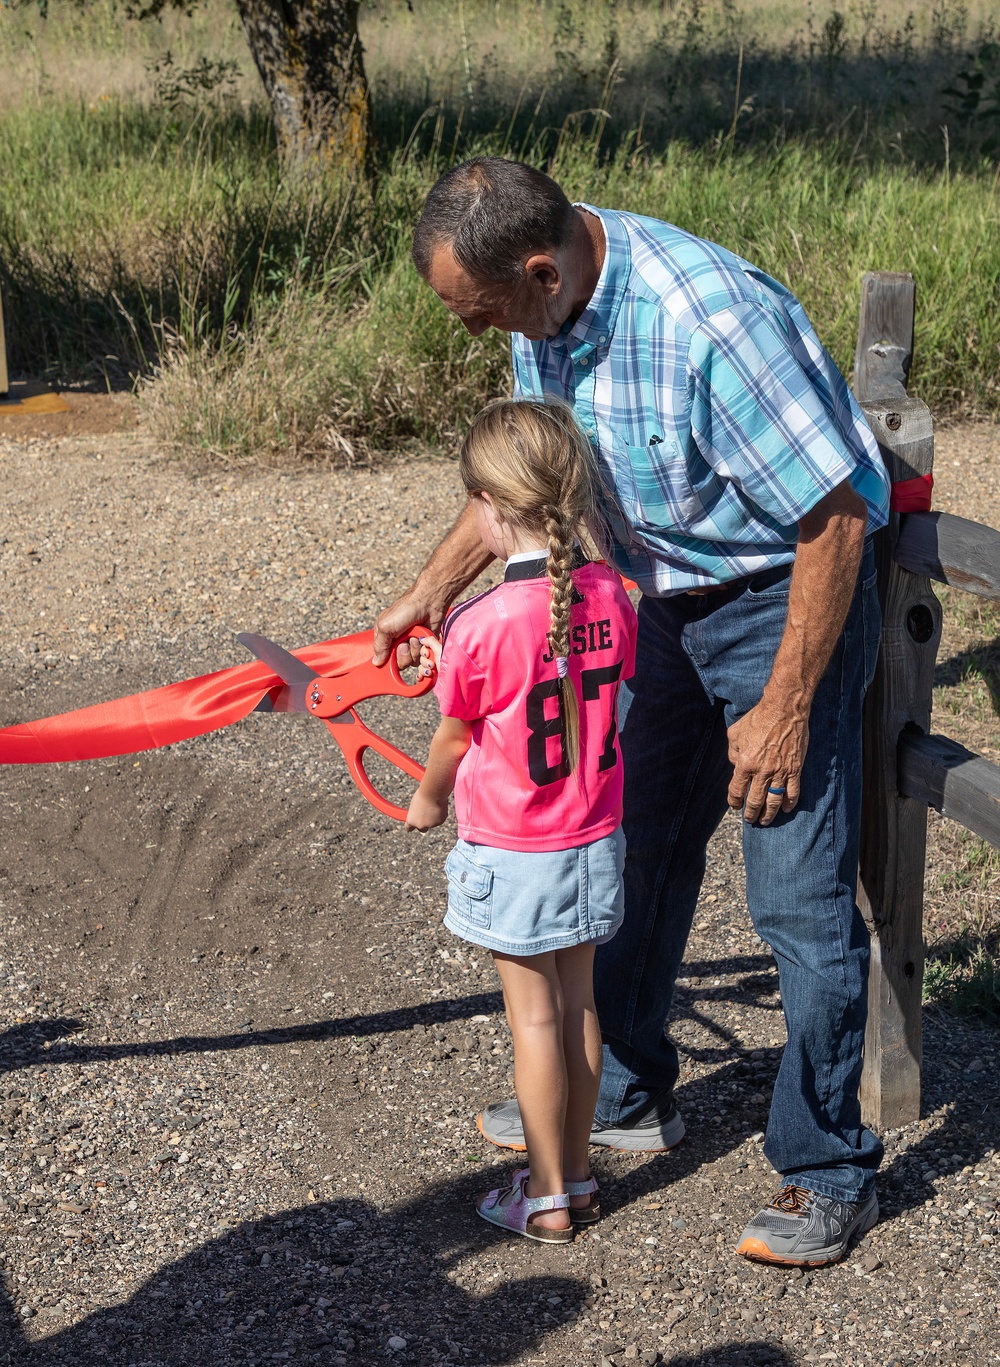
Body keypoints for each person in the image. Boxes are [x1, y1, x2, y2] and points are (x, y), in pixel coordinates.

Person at [377, 157, 890, 1267]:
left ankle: (825, 1164)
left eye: (480, 316)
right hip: (647, 593)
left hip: (779, 595)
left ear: (541, 269)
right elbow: (536, 480)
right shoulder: (541, 301)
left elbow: (838, 517)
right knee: (637, 841)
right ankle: (617, 1090)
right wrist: (432, 588)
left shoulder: (711, 320)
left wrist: (787, 700)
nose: (477, 337)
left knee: (795, 892)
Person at [404, 398, 637, 1244]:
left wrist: (428, 800)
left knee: (532, 1019)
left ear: (493, 511)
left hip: (517, 849)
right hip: (593, 838)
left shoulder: (479, 621)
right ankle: (574, 1174)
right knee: (579, 1008)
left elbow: (457, 735)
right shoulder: (612, 594)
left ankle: (542, 1197)